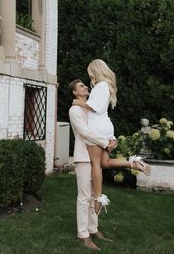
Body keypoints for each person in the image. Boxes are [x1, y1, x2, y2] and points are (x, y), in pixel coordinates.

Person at [73, 59, 151, 215]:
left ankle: (97, 199)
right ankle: (134, 164)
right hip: (106, 127)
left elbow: (94, 108)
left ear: (95, 71)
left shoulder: (101, 86)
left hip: (97, 127)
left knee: (96, 164)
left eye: (91, 73)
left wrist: (77, 102)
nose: (91, 77)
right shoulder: (106, 86)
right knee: (105, 162)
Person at [68, 79, 115, 251]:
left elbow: (102, 126)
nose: (85, 87)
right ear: (75, 93)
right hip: (83, 157)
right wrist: (105, 142)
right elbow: (86, 132)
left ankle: (93, 229)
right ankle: (83, 235)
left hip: (95, 156)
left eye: (84, 85)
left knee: (96, 194)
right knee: (84, 196)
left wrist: (112, 139)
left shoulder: (92, 108)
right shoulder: (74, 110)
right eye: (81, 86)